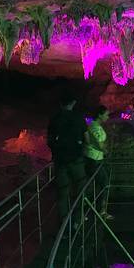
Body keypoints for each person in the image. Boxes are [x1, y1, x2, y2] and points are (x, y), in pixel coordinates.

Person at [47, 92, 88, 221]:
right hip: (76, 159)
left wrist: (56, 151)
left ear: (60, 103)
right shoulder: (79, 118)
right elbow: (86, 138)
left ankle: (64, 222)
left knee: (62, 193)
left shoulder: (55, 119)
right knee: (80, 190)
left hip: (60, 161)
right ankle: (78, 219)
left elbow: (50, 140)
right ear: (73, 103)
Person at [83, 105, 112, 219]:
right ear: (100, 115)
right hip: (94, 159)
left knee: (93, 185)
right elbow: (99, 144)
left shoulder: (94, 125)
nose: (108, 117)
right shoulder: (95, 127)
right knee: (104, 183)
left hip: (94, 158)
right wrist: (106, 151)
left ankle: (87, 210)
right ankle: (101, 211)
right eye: (106, 115)